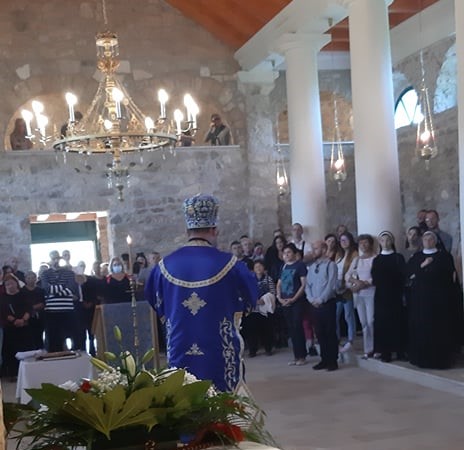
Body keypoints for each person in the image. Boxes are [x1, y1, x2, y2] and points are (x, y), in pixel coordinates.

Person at [145, 194, 258, 392]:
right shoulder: (231, 264)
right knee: (224, 398)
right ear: (214, 230)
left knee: (182, 393)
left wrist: (172, 316)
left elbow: (154, 300)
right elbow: (250, 298)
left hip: (180, 346)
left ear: (186, 230)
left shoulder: (163, 266)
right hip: (219, 350)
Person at [407, 231, 459, 369]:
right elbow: (410, 275)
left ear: (436, 241)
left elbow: (451, 277)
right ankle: (421, 358)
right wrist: (423, 265)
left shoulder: (444, 257)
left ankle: (440, 360)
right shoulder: (417, 257)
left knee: (439, 329)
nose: (428, 241)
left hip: (439, 300)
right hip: (420, 299)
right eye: (425, 238)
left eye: (431, 238)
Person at [371, 231, 407, 362]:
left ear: (392, 242)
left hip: (395, 295)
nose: (385, 243)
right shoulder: (377, 259)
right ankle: (385, 352)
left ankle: (400, 351)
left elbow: (403, 275)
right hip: (381, 296)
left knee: (398, 323)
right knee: (382, 324)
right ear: (379, 243)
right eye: (382, 240)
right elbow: (374, 278)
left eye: (388, 240)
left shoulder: (398, 257)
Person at [306, 240, 338, 371]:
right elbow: (307, 285)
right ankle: (324, 359)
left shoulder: (331, 265)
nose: (313, 251)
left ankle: (332, 361)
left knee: (329, 332)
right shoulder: (312, 267)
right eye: (313, 248)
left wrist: (321, 299)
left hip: (327, 303)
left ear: (324, 250)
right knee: (319, 332)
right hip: (314, 304)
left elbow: (331, 285)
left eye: (316, 248)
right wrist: (311, 299)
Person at [41, 250, 79, 352]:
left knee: (70, 337)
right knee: (53, 339)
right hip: (51, 311)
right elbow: (46, 288)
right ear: (50, 260)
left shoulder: (69, 273)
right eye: (53, 258)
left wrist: (54, 291)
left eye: (57, 258)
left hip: (67, 310)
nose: (55, 260)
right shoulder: (45, 274)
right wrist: (63, 287)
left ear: (60, 258)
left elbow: (71, 288)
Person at [276, 243, 308, 366]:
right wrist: (279, 297)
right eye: (284, 253)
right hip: (285, 301)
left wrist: (294, 299)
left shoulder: (300, 265)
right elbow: (279, 283)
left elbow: (303, 285)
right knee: (291, 329)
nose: (286, 255)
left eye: (289, 252)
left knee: (297, 327)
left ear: (295, 253)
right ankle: (296, 356)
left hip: (296, 301)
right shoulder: (283, 266)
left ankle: (302, 356)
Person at [345, 234, 376, 359]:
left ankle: (375, 347)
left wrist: (365, 283)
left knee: (371, 321)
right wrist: (354, 284)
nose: (363, 245)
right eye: (361, 243)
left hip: (371, 292)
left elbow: (376, 275)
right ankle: (368, 349)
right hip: (359, 294)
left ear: (371, 244)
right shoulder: (357, 260)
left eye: (366, 242)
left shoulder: (375, 258)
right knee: (363, 322)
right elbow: (348, 275)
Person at [241, 260, 276, 357]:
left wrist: (265, 300)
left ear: (264, 268)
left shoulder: (268, 279)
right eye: (256, 267)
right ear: (253, 269)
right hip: (253, 309)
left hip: (265, 308)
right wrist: (254, 300)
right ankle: (253, 350)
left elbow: (273, 292)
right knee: (252, 330)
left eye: (260, 266)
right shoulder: (250, 279)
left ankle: (268, 348)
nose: (258, 268)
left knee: (266, 329)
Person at [334, 232, 358, 353]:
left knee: (348, 315)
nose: (343, 242)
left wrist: (345, 284)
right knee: (335, 315)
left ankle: (351, 340)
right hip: (337, 288)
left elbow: (353, 270)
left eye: (346, 240)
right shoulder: (338, 254)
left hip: (347, 288)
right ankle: (336, 339)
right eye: (341, 240)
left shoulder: (354, 254)